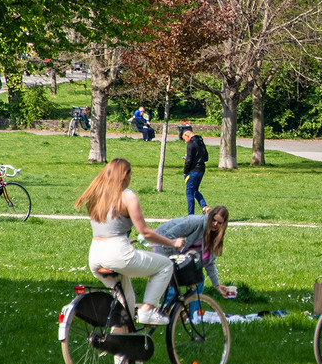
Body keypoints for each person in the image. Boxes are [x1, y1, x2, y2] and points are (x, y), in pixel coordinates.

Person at [77, 158, 181, 329]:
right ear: (125, 175)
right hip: (118, 253)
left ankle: (121, 352)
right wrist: (173, 242)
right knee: (166, 266)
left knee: (125, 307)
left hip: (95, 255)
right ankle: (148, 310)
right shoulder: (127, 197)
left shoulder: (98, 196)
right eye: (131, 173)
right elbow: (145, 232)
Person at [152, 205, 230, 293]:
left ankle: (193, 306)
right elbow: (169, 236)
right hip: (162, 241)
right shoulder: (196, 222)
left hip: (180, 252)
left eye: (219, 223)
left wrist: (217, 285)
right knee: (173, 283)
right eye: (214, 220)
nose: (215, 224)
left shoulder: (217, 236)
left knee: (199, 279)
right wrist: (175, 261)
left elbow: (209, 261)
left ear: (223, 224)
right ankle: (169, 305)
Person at [180, 126, 208, 215]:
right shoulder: (201, 142)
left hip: (193, 171)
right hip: (201, 169)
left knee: (189, 192)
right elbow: (206, 157)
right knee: (195, 190)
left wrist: (185, 171)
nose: (185, 141)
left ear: (187, 135)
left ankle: (190, 215)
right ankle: (205, 208)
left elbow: (189, 161)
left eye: (184, 139)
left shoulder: (191, 144)